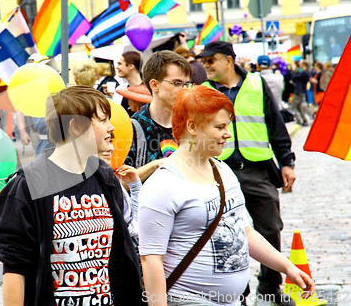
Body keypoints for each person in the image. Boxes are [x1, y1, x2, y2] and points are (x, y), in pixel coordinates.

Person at [139, 85, 315, 306]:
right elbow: (151, 258)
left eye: (227, 125)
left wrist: (287, 267)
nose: (228, 134)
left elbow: (244, 231)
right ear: (192, 126)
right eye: (220, 126)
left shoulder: (223, 171)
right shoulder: (162, 185)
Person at [0, 86, 146, 306]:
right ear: (75, 126)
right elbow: (15, 269)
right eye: (102, 120)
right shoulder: (27, 187)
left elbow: (120, 258)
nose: (111, 128)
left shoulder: (105, 178)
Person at [197, 41, 298, 306]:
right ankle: (236, 293)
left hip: (258, 170)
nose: (205, 65)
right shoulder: (203, 91)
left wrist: (287, 162)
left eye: (211, 60)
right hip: (218, 172)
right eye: (204, 61)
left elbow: (275, 124)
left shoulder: (256, 83)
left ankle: (269, 289)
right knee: (225, 234)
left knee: (271, 228)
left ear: (229, 60)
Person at [124, 51, 192, 183]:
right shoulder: (133, 127)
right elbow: (117, 183)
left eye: (186, 84)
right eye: (177, 83)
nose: (184, 90)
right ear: (154, 85)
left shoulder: (189, 125)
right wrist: (156, 165)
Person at [116, 51, 143, 116]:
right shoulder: (122, 89)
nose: (117, 67)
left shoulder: (147, 89)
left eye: (120, 64)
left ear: (131, 66)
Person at [292, 60, 311, 126]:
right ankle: (304, 120)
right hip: (301, 91)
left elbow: (294, 77)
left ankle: (299, 120)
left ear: (304, 65)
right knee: (299, 107)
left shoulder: (304, 73)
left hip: (299, 91)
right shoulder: (305, 72)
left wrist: (294, 70)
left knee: (293, 105)